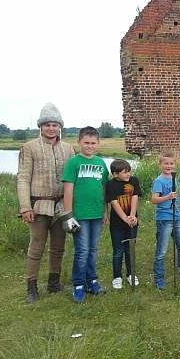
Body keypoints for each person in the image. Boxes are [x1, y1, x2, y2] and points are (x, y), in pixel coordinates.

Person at [16, 103, 75, 303]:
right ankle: (31, 288)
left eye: (55, 124)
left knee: (58, 247)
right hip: (38, 205)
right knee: (36, 247)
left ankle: (54, 282)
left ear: (60, 127)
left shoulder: (68, 149)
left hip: (60, 206)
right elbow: (23, 178)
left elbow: (73, 180)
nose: (51, 128)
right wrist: (25, 207)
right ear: (41, 126)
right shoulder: (29, 147)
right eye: (47, 124)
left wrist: (72, 207)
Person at [62, 126, 109, 303]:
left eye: (93, 143)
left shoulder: (100, 163)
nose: (89, 146)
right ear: (79, 142)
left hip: (96, 213)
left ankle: (92, 281)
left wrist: (105, 211)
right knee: (82, 251)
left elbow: (104, 188)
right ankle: (79, 285)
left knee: (93, 250)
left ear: (98, 143)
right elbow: (68, 190)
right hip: (79, 215)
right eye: (86, 143)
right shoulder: (74, 163)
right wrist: (68, 215)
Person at [151, 151, 180, 289]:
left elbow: (176, 200)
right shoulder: (158, 181)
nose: (169, 166)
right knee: (162, 250)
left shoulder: (174, 178)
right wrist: (167, 197)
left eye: (171, 163)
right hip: (164, 219)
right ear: (160, 164)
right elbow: (154, 199)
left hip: (176, 218)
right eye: (166, 163)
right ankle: (159, 277)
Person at [105, 159, 141, 289]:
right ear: (115, 174)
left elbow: (135, 197)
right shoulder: (110, 184)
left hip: (132, 222)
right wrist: (125, 218)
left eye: (129, 171)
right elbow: (114, 203)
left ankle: (131, 274)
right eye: (124, 172)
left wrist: (132, 216)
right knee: (118, 250)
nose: (128, 174)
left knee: (130, 249)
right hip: (117, 224)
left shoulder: (134, 181)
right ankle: (117, 277)